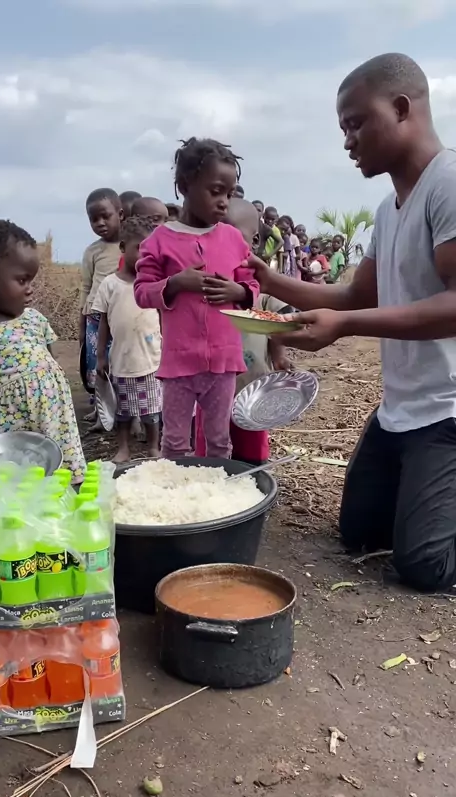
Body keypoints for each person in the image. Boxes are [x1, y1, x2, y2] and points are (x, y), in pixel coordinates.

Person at [247, 52, 456, 595]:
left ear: (402, 108)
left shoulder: (449, 184)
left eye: (356, 123)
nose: (347, 141)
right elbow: (355, 296)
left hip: (448, 410)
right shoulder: (389, 210)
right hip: (402, 409)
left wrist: (346, 325)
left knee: (425, 567)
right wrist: (269, 283)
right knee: (360, 534)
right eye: (344, 128)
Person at [135, 136, 259, 458]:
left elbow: (251, 283)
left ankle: (218, 488)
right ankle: (176, 489)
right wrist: (175, 283)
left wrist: (239, 292)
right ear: (185, 185)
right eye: (215, 191)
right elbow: (142, 292)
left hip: (223, 361)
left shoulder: (233, 239)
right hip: (179, 363)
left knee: (219, 441)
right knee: (175, 442)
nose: (224, 202)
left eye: (229, 194)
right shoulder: (159, 241)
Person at [0, 217, 85, 482]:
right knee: (21, 490)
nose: (30, 290)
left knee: (64, 483)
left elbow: (50, 366)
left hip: (55, 424)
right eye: (22, 280)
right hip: (13, 435)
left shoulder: (34, 319)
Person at [195, 199, 290, 464]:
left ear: (255, 241)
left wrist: (279, 356)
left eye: (230, 235)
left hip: (251, 385)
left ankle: (253, 478)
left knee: (251, 446)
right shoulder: (202, 281)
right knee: (209, 449)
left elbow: (277, 322)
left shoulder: (261, 285)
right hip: (208, 384)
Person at [94, 217, 161, 462]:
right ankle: (123, 448)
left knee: (152, 411)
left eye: (150, 250)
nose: (145, 255)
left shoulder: (153, 283)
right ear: (123, 247)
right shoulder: (109, 285)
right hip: (121, 360)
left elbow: (162, 316)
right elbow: (103, 323)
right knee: (122, 411)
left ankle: (153, 447)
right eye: (139, 248)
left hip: (151, 357)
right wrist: (100, 357)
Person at [80, 188, 123, 425]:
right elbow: (86, 288)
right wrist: (81, 325)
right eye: (94, 219)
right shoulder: (92, 251)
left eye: (105, 216)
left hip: (121, 317)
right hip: (95, 319)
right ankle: (101, 413)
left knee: (122, 364)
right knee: (96, 366)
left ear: (120, 214)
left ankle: (127, 414)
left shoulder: (130, 247)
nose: (100, 223)